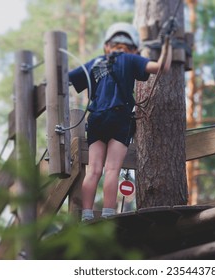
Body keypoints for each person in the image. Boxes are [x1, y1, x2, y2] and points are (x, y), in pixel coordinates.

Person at [68, 22, 173, 221]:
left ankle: (86, 215)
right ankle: (108, 214)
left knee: (94, 170)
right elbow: (162, 67)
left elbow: (67, 79)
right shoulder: (132, 58)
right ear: (134, 47)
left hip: (96, 119)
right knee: (112, 168)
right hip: (119, 117)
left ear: (107, 46)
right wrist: (167, 43)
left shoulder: (95, 62)